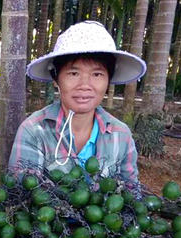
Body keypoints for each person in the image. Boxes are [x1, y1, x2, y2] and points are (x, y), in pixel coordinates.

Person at [9, 21, 146, 185]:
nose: (85, 85)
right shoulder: (34, 130)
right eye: (74, 73)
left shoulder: (121, 135)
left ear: (109, 80)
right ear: (55, 78)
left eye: (97, 75)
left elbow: (132, 193)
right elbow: (22, 193)